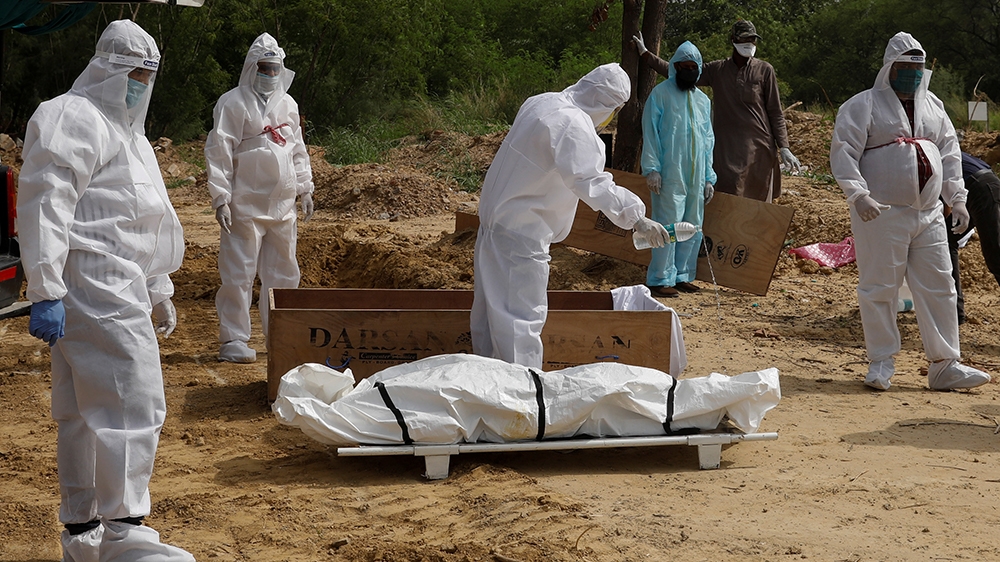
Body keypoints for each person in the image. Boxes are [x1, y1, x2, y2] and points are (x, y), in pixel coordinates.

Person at [17, 19, 194, 561]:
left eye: (149, 75)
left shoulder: (130, 133)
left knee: (80, 407)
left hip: (118, 278)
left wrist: (157, 283)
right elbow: (46, 201)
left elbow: (145, 218)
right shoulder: (72, 115)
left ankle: (84, 532)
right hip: (90, 274)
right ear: (108, 69)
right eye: (134, 73)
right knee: (131, 395)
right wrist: (45, 286)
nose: (142, 83)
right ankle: (126, 532)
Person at [471, 63, 668, 368]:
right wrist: (636, 217)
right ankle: (520, 402)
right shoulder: (573, 126)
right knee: (520, 324)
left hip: (494, 225)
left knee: (490, 316)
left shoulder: (542, 101)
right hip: (522, 237)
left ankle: (487, 390)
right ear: (607, 105)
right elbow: (591, 182)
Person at [829, 31, 990, 391]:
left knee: (939, 285)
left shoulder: (933, 104)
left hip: (930, 212)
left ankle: (945, 364)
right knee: (880, 286)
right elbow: (843, 152)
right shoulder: (863, 105)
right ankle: (882, 361)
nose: (913, 74)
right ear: (890, 67)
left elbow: (949, 152)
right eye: (906, 67)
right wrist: (858, 195)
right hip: (881, 212)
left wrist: (958, 198)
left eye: (919, 67)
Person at [206, 32, 315, 364]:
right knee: (239, 272)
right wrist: (221, 197)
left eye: (275, 69)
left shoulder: (288, 103)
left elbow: (296, 149)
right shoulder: (233, 103)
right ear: (252, 67)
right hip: (245, 205)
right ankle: (234, 338)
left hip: (282, 206)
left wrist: (305, 186)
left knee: (284, 273)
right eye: (264, 68)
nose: (269, 75)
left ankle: (281, 335)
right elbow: (219, 151)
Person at [634, 20, 800, 202]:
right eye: (745, 38)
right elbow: (681, 72)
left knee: (757, 199)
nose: (749, 43)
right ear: (733, 39)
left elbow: (775, 112)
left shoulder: (764, 70)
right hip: (726, 149)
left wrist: (784, 147)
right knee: (728, 194)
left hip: (759, 148)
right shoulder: (718, 70)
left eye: (753, 39)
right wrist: (646, 55)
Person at [640, 41, 716, 298]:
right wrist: (652, 169)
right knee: (668, 225)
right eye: (684, 66)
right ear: (675, 67)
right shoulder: (660, 94)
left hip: (696, 176)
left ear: (699, 69)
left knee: (693, 226)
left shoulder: (703, 100)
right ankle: (660, 278)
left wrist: (708, 177)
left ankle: (682, 275)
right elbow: (650, 133)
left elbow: (708, 140)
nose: (688, 71)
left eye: (693, 67)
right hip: (669, 173)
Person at [946, 151, 1000, 324]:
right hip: (982, 186)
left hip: (981, 189)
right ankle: (954, 314)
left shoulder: (928, 153)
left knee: (996, 256)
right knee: (946, 240)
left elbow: (943, 205)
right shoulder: (946, 147)